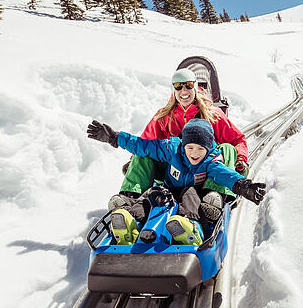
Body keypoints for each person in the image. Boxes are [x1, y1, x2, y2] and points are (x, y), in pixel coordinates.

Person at [87, 118, 265, 245]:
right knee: (150, 196)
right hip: (169, 191)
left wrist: (244, 186)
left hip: (194, 196)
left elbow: (225, 174)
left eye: (200, 149)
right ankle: (130, 222)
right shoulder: (172, 149)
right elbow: (144, 146)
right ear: (183, 146)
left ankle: (192, 229)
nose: (194, 153)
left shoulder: (211, 161)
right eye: (190, 148)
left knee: (189, 195)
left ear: (208, 148)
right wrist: (115, 138)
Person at [108, 68, 249, 224]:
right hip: (174, 173)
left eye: (188, 85)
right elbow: (145, 142)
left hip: (207, 172)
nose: (184, 91)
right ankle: (130, 198)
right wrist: (133, 164)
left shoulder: (212, 114)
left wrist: (240, 160)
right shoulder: (164, 116)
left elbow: (238, 140)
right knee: (142, 153)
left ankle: (214, 196)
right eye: (178, 86)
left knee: (227, 148)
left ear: (195, 87)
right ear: (173, 89)